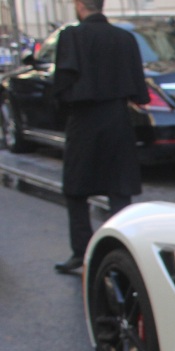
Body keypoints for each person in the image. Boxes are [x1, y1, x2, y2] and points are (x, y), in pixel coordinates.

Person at [51, 0, 147, 274]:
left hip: (83, 120)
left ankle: (81, 252)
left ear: (80, 5)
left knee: (76, 190)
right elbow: (139, 90)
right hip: (118, 118)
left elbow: (63, 82)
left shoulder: (72, 36)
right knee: (119, 188)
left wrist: (60, 112)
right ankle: (121, 250)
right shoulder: (125, 38)